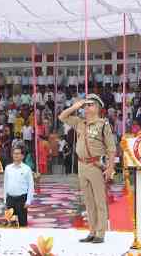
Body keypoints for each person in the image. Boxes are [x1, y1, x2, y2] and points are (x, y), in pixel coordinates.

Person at [58, 94, 116, 244]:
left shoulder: (103, 125)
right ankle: (92, 231)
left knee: (99, 201)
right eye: (85, 105)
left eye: (89, 104)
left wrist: (110, 168)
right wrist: (74, 107)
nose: (86, 107)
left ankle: (101, 233)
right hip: (81, 165)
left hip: (95, 165)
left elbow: (111, 148)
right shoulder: (80, 123)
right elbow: (62, 117)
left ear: (97, 107)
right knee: (88, 201)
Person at [4, 145, 34, 227]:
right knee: (10, 224)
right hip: (10, 199)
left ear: (22, 156)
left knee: (23, 224)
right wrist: (5, 200)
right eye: (14, 153)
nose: (16, 155)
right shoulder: (8, 168)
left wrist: (28, 201)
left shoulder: (27, 169)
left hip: (21, 200)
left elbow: (31, 186)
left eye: (18, 153)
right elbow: (5, 184)